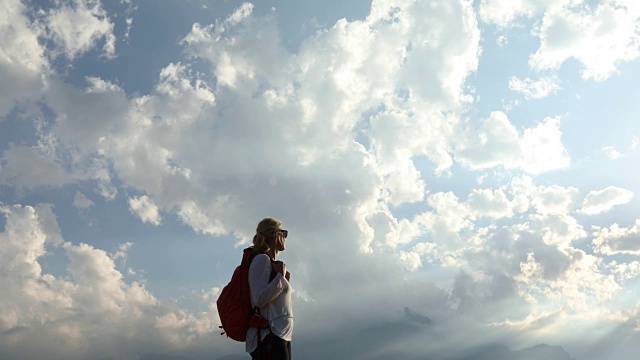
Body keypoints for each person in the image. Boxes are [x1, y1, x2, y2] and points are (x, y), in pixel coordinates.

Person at [246, 218, 293, 360]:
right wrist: (280, 276)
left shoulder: (270, 263)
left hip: (279, 335)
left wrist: (282, 279)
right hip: (269, 335)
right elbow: (259, 299)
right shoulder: (262, 260)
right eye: (283, 233)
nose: (285, 237)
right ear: (274, 234)